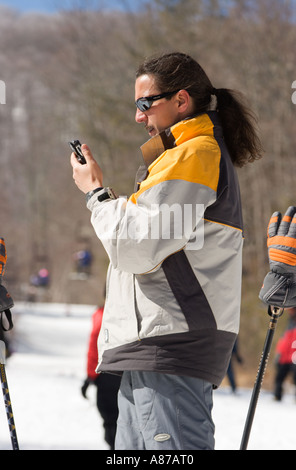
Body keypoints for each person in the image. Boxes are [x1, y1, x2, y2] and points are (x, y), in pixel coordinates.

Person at [71, 51, 263, 450]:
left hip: (171, 343)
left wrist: (97, 193)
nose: (139, 116)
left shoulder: (194, 155)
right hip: (152, 344)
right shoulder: (177, 158)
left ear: (181, 100)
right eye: (136, 105)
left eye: (146, 103)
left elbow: (136, 248)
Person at [81, 304, 121, 449]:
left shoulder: (103, 314)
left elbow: (95, 346)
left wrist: (91, 376)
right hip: (128, 372)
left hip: (108, 374)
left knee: (111, 420)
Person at [273, 307, 296, 402]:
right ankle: (277, 396)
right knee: (279, 376)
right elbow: (283, 341)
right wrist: (278, 355)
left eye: (292, 310)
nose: (290, 313)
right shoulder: (289, 324)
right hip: (285, 356)